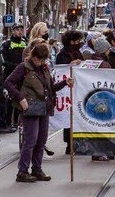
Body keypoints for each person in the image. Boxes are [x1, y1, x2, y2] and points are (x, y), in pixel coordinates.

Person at [4, 43, 70, 183]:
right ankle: (22, 171)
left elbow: (51, 88)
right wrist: (20, 97)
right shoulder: (23, 67)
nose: (39, 62)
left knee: (41, 140)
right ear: (32, 55)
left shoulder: (45, 68)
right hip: (30, 108)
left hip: (44, 107)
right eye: (37, 59)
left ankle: (37, 169)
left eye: (42, 60)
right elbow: (8, 83)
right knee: (30, 140)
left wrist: (65, 82)